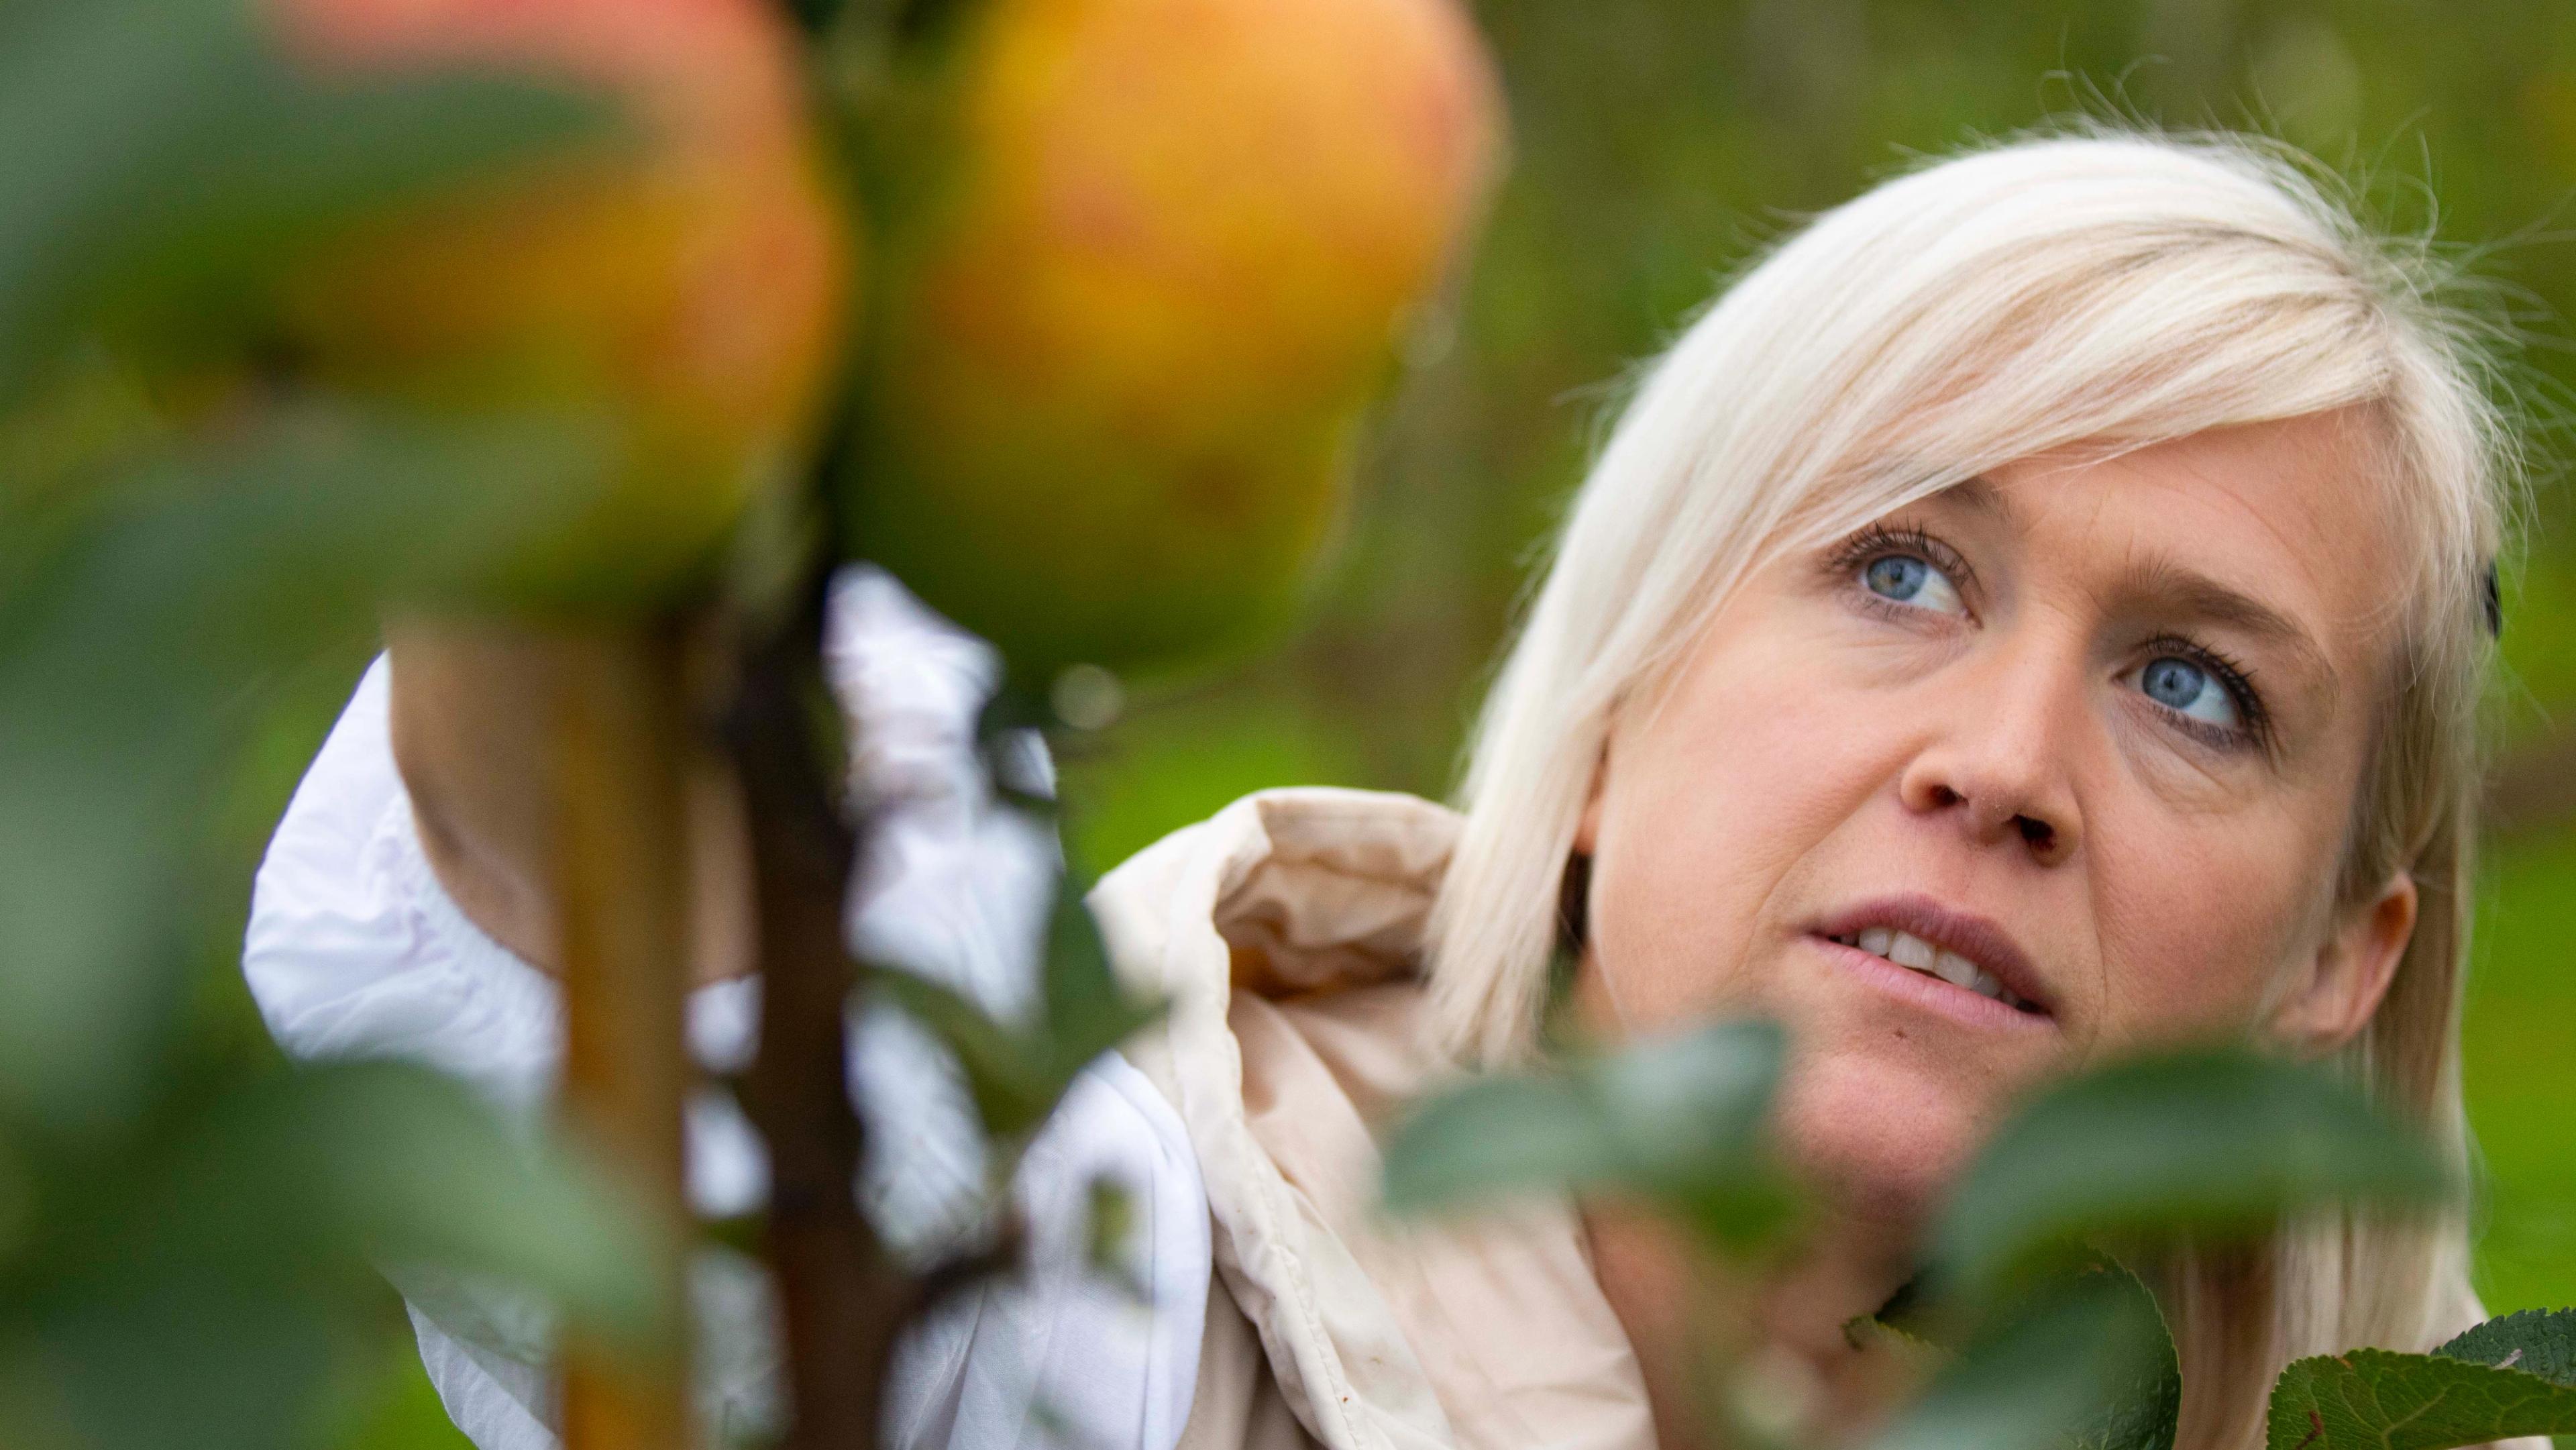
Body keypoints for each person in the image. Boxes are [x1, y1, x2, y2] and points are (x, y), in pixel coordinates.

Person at [245, 126, 2534, 1450]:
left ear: (2345, 952)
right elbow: (624, 1008)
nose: (2005, 762)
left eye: (2196, 688)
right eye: (1904, 564)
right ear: (1618, 710)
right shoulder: (1116, 1283)